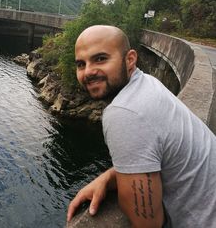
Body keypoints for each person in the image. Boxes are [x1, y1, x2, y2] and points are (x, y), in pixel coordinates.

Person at [66, 25, 216, 227]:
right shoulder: (147, 83)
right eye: (81, 64)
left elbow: (148, 223)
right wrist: (111, 177)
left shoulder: (124, 112)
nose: (88, 72)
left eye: (100, 59)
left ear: (130, 60)